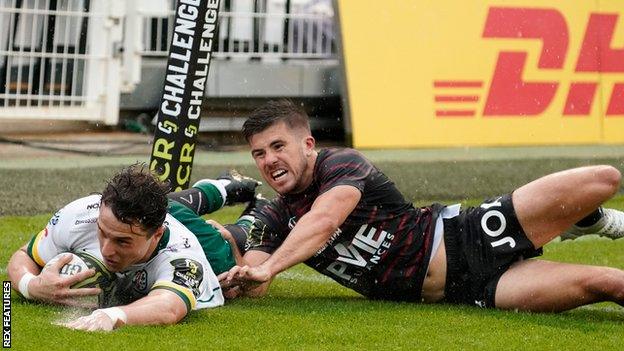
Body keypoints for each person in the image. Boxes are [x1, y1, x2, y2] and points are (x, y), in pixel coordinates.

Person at [222, 99, 624, 312]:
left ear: (307, 144)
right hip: (470, 290)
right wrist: (241, 274)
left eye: (278, 146)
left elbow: (325, 220)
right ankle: (572, 222)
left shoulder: (341, 163)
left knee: (603, 179)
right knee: (608, 283)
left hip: (469, 235)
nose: (269, 160)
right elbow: (255, 275)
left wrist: (269, 266)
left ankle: (585, 219)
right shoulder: (274, 215)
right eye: (259, 154)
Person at [7, 164, 259, 331]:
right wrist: (32, 286)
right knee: (167, 201)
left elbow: (169, 307)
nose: (106, 249)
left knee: (237, 243)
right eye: (102, 233)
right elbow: (23, 257)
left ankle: (256, 208)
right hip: (155, 216)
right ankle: (223, 186)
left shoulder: (185, 257)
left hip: (205, 245)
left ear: (156, 234)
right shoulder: (81, 214)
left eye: (122, 241)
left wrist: (114, 315)